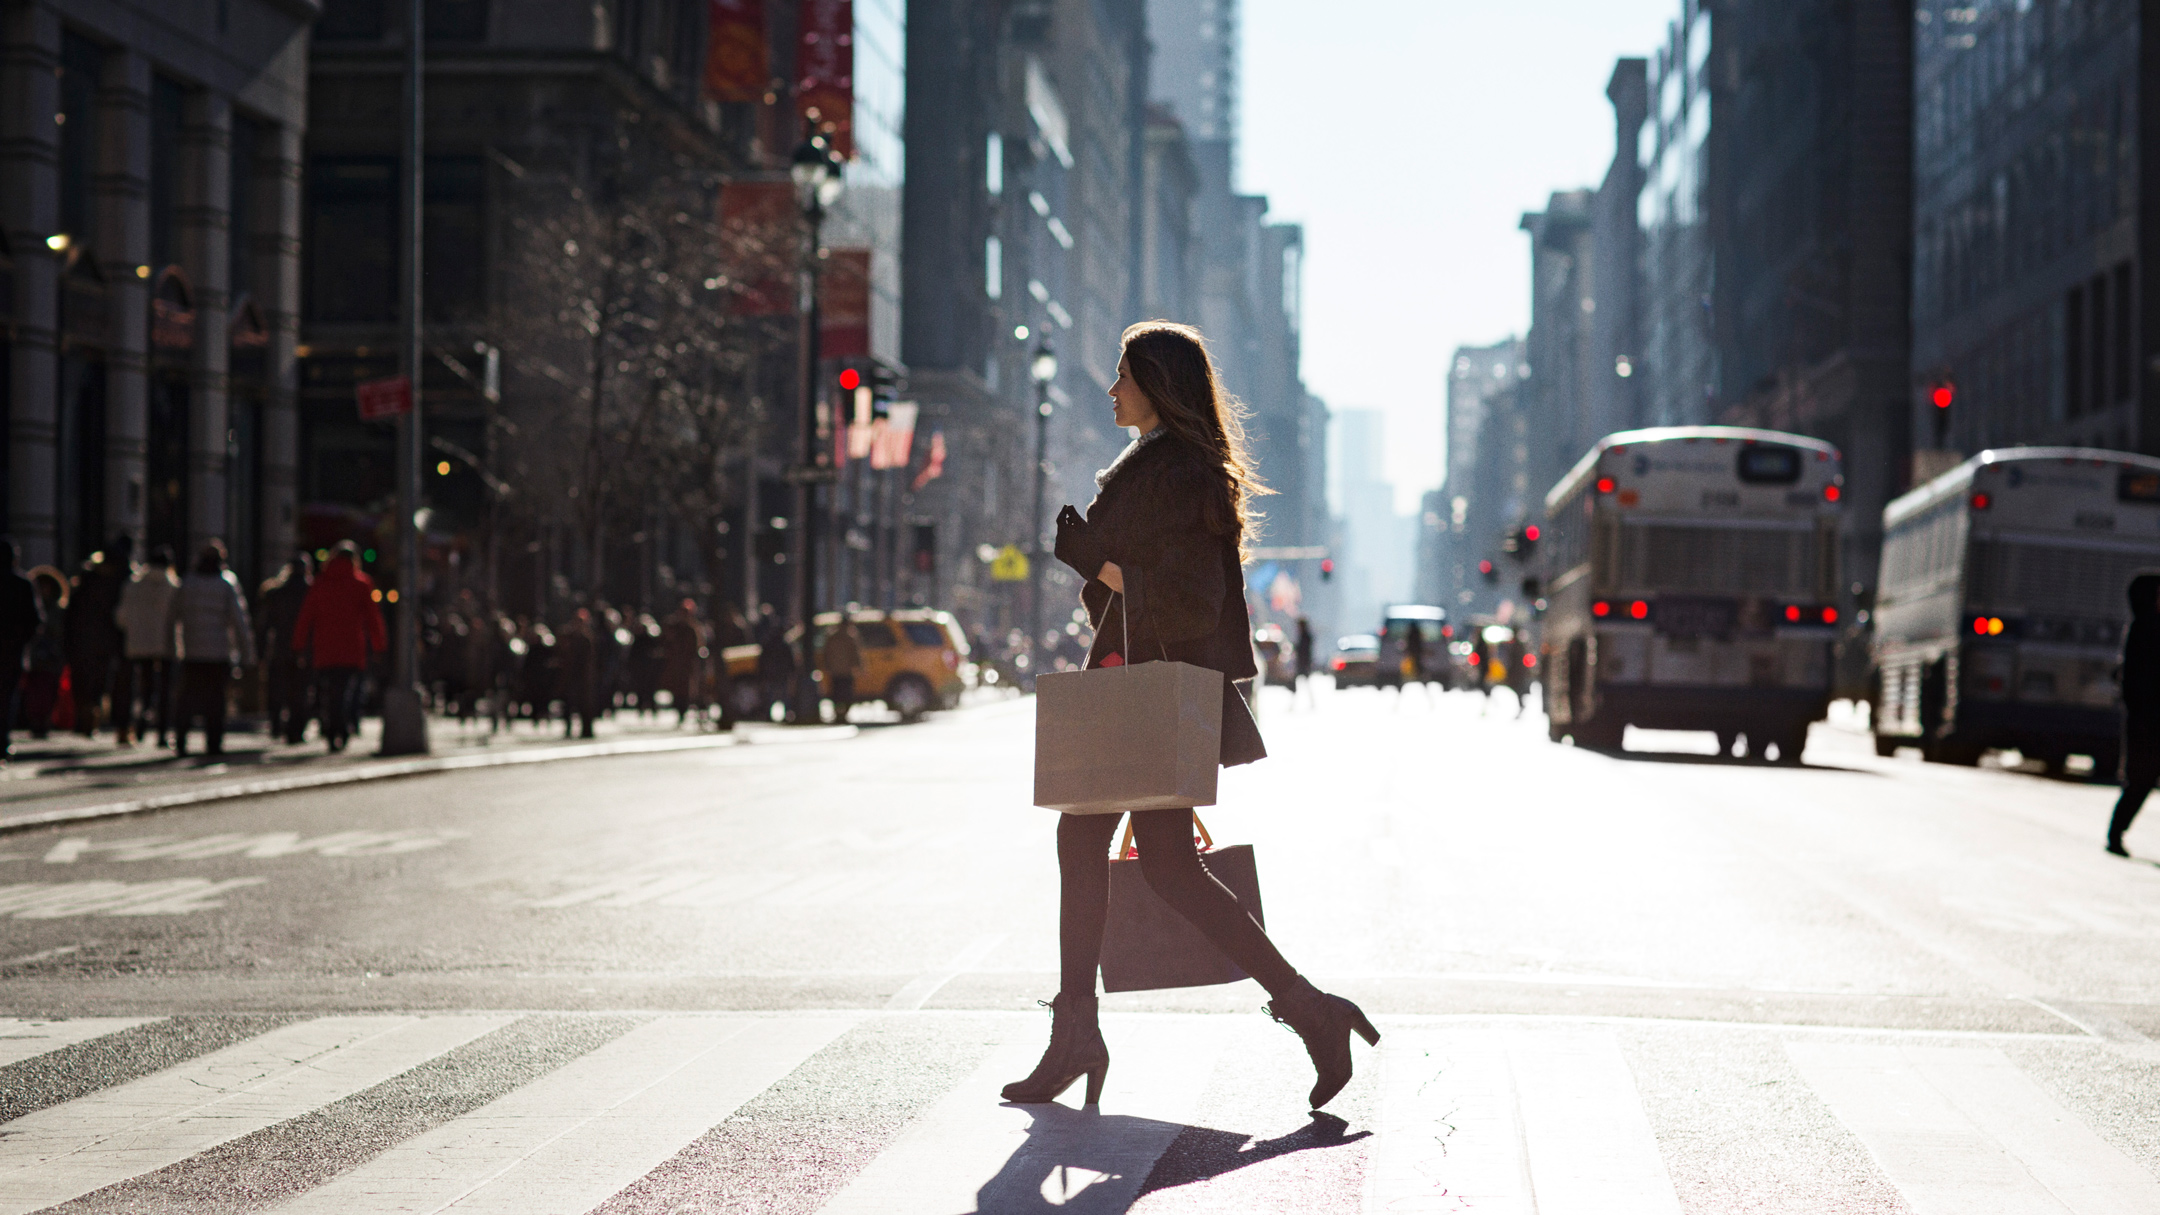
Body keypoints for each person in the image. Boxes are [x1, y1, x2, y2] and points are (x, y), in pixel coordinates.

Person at [1017, 320, 1377, 1112]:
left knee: (1100, 840)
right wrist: (1100, 563)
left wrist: (1094, 559)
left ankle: (1084, 1030)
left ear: (1158, 384)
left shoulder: (1179, 472)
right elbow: (1143, 587)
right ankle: (1310, 1010)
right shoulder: (1159, 466)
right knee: (1162, 859)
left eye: (1123, 374)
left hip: (1153, 692)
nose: (1112, 388)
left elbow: (1186, 598)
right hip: (1144, 686)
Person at [293, 540, 387, 752]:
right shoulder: (361, 583)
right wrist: (379, 645)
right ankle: (341, 727)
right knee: (345, 691)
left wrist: (299, 645)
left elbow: (305, 617)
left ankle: (331, 726)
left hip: (324, 647)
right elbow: (373, 618)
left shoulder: (321, 582)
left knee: (327, 690)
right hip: (351, 648)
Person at [166, 541, 256, 756]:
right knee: (216, 701)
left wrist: (172, 648)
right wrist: (248, 655)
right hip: (219, 652)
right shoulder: (226, 583)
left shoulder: (187, 583)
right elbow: (239, 620)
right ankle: (214, 743)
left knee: (186, 699)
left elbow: (172, 618)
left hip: (192, 651)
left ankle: (180, 740)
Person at [2109, 572, 2160, 856]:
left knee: (2140, 781)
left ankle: (2116, 833)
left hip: (2144, 721)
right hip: (2146, 723)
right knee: (2140, 781)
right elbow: (2136, 682)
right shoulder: (2145, 629)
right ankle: (2116, 832)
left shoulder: (2143, 628)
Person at [64, 536, 131, 737]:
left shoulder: (87, 579)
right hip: (109, 640)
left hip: (85, 639)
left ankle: (87, 716)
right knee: (105, 681)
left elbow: (72, 613)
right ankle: (98, 717)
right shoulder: (122, 581)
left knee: (85, 680)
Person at [114, 545, 180, 747]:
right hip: (165, 645)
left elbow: (121, 617)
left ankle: (140, 723)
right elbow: (179, 618)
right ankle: (162, 733)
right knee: (164, 690)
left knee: (141, 687)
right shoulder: (173, 587)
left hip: (137, 646)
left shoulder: (133, 584)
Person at [256, 552, 315, 744]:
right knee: (300, 691)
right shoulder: (311, 592)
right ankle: (295, 729)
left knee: (278, 689)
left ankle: (276, 725)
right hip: (304, 650)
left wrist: (261, 649)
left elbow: (265, 624)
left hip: (280, 648)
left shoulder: (276, 592)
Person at [0, 540, 42, 758]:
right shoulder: (22, 584)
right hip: (12, 650)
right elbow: (35, 620)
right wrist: (22, 639)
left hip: (12, 648)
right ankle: (2, 739)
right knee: (7, 696)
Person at [659, 599, 706, 727]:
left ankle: (684, 710)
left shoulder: (693, 628)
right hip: (677, 664)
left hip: (687, 664)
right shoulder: (675, 626)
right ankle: (679, 709)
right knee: (677, 688)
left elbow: (698, 645)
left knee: (687, 689)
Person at [821, 618, 864, 722]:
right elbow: (855, 655)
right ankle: (843, 714)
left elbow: (826, 654)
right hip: (846, 671)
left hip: (835, 671)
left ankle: (838, 713)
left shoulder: (832, 637)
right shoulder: (850, 638)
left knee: (836, 693)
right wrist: (860, 667)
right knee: (847, 694)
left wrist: (827, 666)